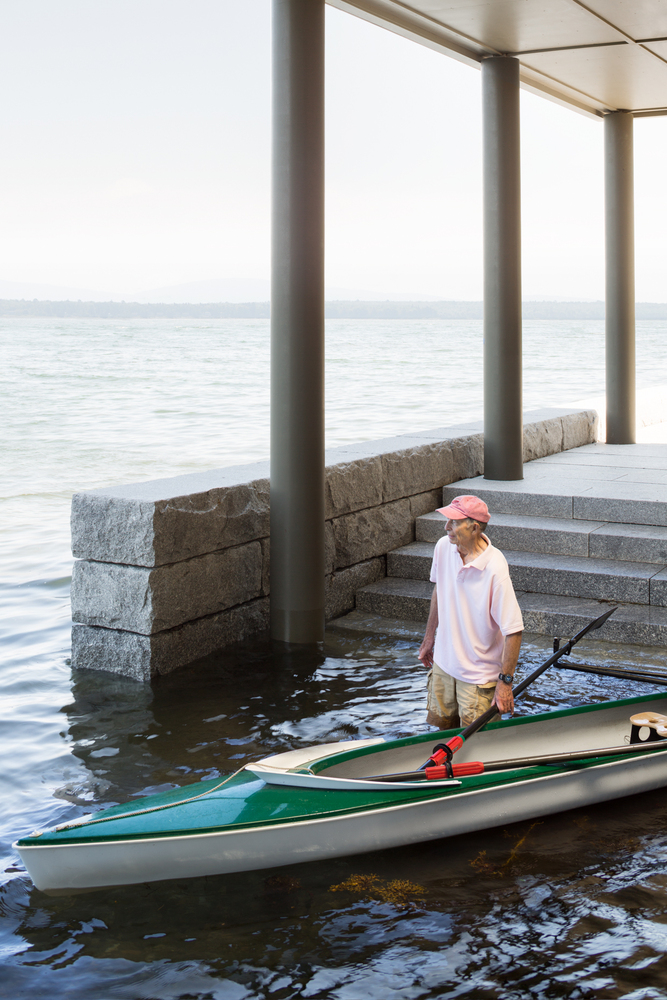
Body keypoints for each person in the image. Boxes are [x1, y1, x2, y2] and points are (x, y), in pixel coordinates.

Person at [418, 494, 523, 729]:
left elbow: (513, 630)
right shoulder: (444, 547)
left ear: (474, 527)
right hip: (443, 667)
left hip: (477, 680)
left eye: (453, 522)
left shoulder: (495, 567)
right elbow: (439, 591)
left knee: (478, 748)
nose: (447, 527)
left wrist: (505, 683)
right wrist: (428, 638)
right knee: (437, 736)